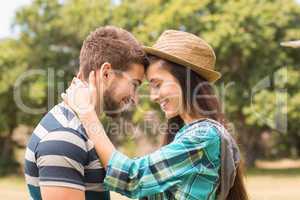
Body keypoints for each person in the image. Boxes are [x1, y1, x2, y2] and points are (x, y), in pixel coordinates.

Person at [62, 30, 249, 200]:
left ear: (186, 81)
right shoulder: (187, 134)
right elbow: (148, 191)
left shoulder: (203, 136)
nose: (152, 96)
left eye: (157, 84)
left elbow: (133, 178)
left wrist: (87, 114)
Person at [24, 26, 149, 200]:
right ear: (106, 73)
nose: (135, 98)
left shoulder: (82, 126)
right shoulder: (65, 136)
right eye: (134, 84)